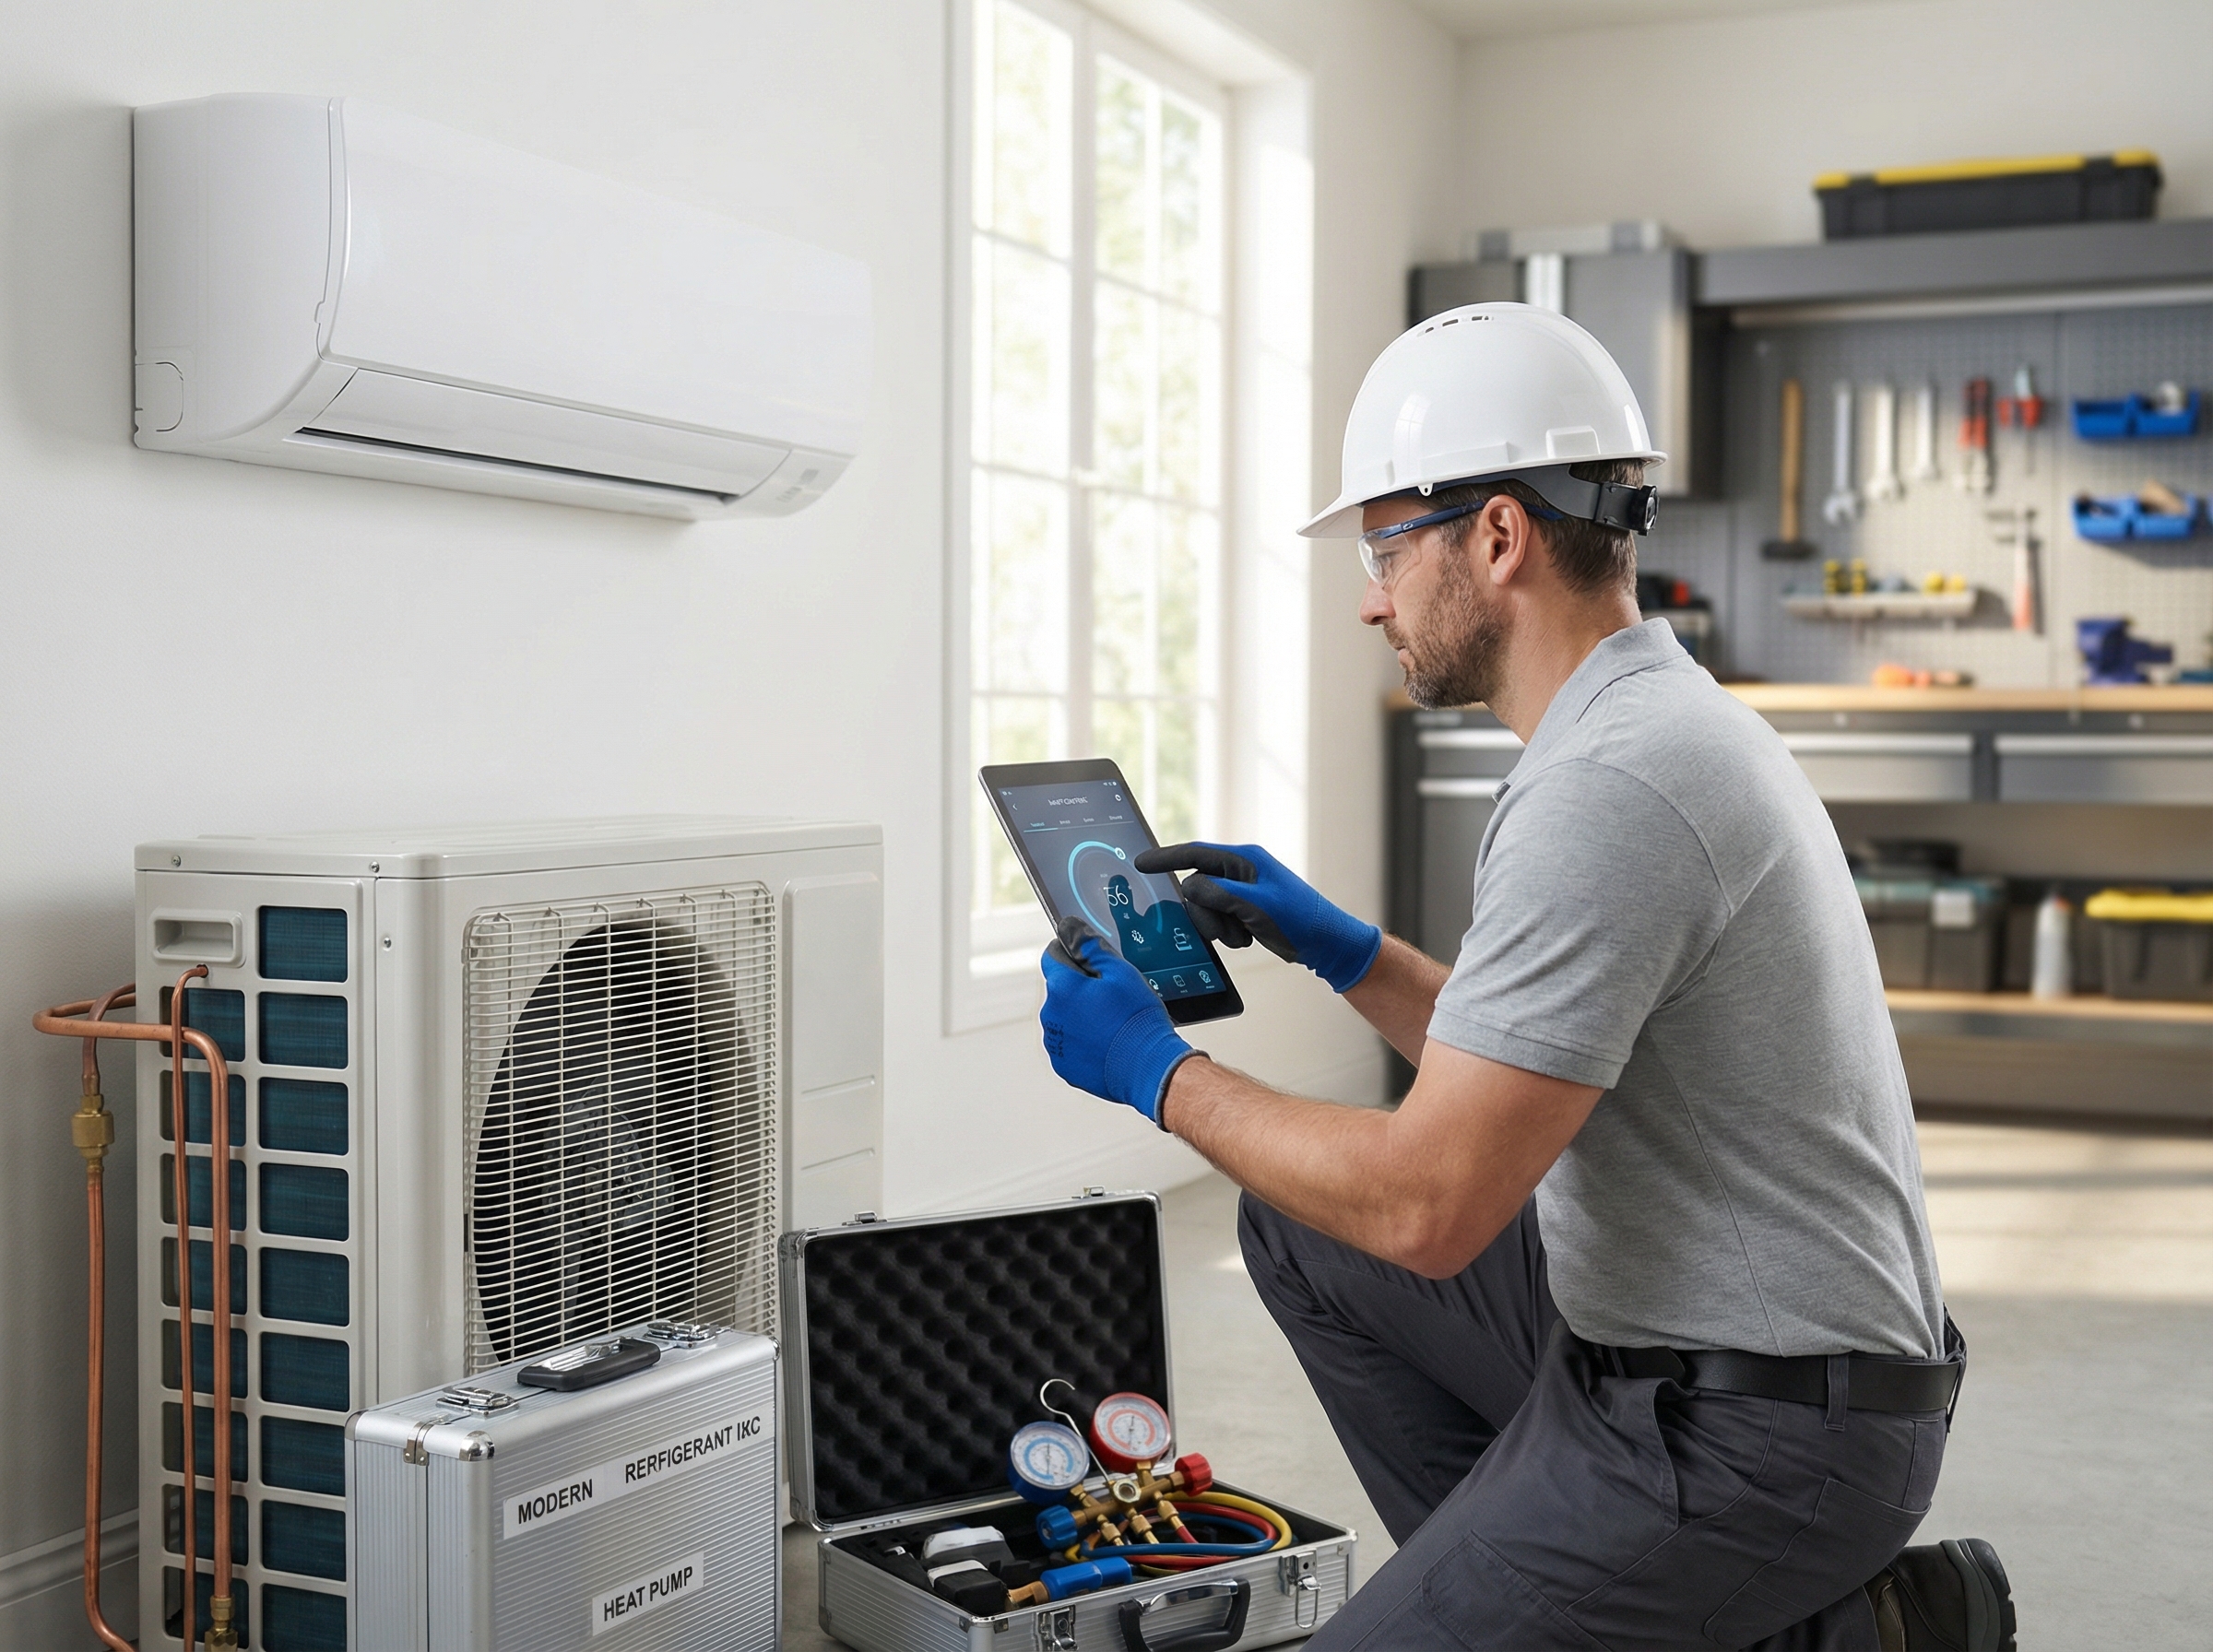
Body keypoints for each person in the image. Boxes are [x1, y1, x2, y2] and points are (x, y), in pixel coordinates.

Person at [1036, 304, 2017, 1652]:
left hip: (1764, 1438)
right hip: (1690, 1354)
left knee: (1362, 1214)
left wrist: (1160, 1073)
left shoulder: (1610, 783)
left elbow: (1430, 1205)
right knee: (1299, 1226)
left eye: (1385, 545)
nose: (1371, 595)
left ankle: (1738, 1617)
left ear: (1496, 535)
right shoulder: (1638, 722)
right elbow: (1546, 1060)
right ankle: (1552, 1598)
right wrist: (1353, 954)